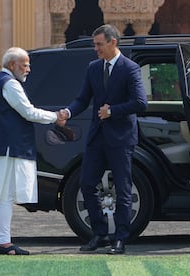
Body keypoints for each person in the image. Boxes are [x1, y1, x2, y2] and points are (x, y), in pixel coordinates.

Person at [59, 24, 147, 254]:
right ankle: (99, 233)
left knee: (123, 188)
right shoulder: (93, 68)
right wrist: (67, 112)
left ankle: (120, 238)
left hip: (121, 138)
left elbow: (140, 103)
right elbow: (82, 99)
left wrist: (113, 111)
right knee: (87, 183)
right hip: (97, 136)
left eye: (99, 44)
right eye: (95, 44)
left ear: (112, 42)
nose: (95, 49)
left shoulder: (130, 68)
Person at [0, 47, 65, 255]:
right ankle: (2, 241)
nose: (28, 69)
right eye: (25, 64)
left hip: (1, 146)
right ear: (12, 65)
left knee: (2, 194)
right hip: (8, 147)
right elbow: (28, 112)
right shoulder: (10, 83)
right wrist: (55, 116)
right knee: (6, 194)